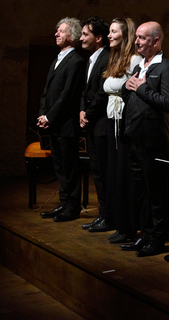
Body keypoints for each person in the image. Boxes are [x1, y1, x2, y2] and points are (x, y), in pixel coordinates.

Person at [120, 21, 169, 257]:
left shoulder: (167, 68)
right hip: (134, 138)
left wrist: (141, 88)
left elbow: (167, 102)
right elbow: (130, 96)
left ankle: (157, 238)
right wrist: (129, 86)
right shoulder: (139, 67)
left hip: (153, 140)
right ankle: (144, 234)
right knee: (140, 191)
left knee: (156, 192)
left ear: (156, 41)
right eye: (137, 38)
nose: (137, 42)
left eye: (143, 38)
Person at [38, 17, 85, 222]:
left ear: (72, 36)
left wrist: (50, 116)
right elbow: (47, 92)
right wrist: (43, 114)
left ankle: (72, 207)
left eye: (61, 31)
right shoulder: (57, 59)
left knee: (69, 167)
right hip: (54, 122)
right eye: (57, 30)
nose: (56, 34)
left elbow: (68, 95)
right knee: (58, 166)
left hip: (66, 124)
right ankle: (64, 203)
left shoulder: (76, 61)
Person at [103, 17, 142, 244]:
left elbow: (131, 90)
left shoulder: (134, 59)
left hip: (124, 121)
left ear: (124, 35)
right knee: (114, 173)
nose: (109, 35)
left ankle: (128, 226)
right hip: (112, 119)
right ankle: (118, 222)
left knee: (124, 174)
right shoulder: (115, 59)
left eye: (113, 31)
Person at [79, 16, 111, 232]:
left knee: (103, 172)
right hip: (90, 119)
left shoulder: (107, 57)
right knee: (96, 171)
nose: (81, 38)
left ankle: (107, 216)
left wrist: (88, 114)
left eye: (85, 34)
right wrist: (82, 109)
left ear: (98, 38)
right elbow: (85, 90)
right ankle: (103, 214)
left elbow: (101, 93)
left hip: (101, 123)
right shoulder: (90, 58)